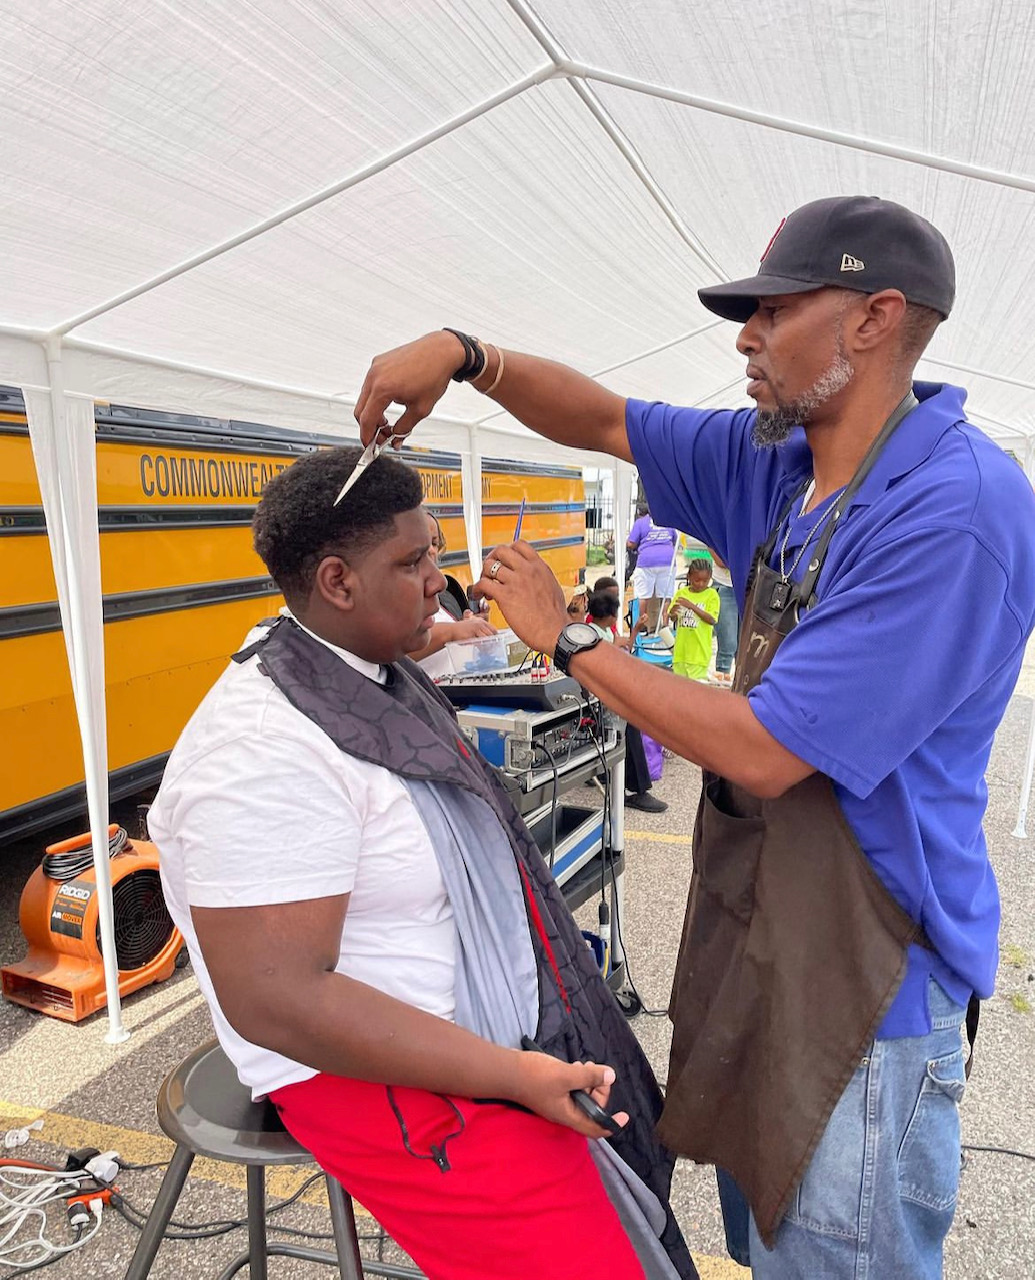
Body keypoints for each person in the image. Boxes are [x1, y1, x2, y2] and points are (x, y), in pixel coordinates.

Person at [354, 194, 1035, 1279]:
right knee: (773, 1248)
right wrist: (467, 353)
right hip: (765, 941)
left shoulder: (951, 507)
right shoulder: (784, 460)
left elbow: (765, 749)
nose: (745, 338)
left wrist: (569, 636)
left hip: (869, 993)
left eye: (772, 311)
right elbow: (608, 420)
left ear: (874, 318)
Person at [148, 446, 693, 1280]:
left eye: (435, 551)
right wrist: (510, 1074)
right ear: (336, 583)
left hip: (465, 1032)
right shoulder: (259, 753)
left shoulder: (358, 664)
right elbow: (280, 1002)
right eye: (414, 561)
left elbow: (434, 635)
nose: (440, 580)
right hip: (365, 1067)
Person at [587, 585, 668, 814]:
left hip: (609, 694)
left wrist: (635, 631)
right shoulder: (591, 634)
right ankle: (636, 790)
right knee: (631, 724)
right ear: (612, 615)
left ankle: (632, 786)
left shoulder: (605, 632)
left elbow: (626, 650)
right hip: (601, 700)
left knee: (635, 717)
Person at [407, 508, 496, 678]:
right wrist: (455, 631)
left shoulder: (446, 597)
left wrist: (473, 627)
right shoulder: (395, 597)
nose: (432, 550)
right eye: (423, 543)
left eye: (434, 543)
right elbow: (401, 646)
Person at [668, 558, 720, 682]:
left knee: (694, 689)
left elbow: (711, 619)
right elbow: (673, 617)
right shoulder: (682, 593)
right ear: (689, 577)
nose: (701, 584)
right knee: (679, 688)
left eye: (705, 581)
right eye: (697, 580)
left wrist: (691, 606)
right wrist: (673, 612)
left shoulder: (712, 595)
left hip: (699, 654)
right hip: (680, 653)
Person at [627, 506, 679, 631]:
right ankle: (665, 625)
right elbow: (675, 540)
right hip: (668, 561)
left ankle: (642, 624)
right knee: (666, 594)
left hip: (646, 561)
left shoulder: (640, 522)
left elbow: (631, 543)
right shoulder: (668, 521)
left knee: (643, 595)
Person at [708, 551, 738, 684]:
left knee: (744, 644)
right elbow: (721, 562)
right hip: (724, 585)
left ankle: (740, 681)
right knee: (728, 643)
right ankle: (721, 679)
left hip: (747, 587)